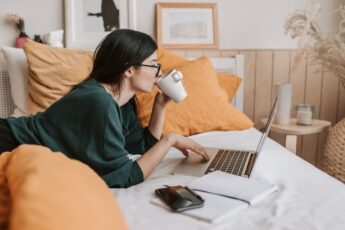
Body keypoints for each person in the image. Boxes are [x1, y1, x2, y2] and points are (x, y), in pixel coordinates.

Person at [0, 29, 209, 188]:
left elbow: (140, 150)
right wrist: (170, 140)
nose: (158, 72)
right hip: (8, 142)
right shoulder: (99, 101)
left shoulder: (123, 102)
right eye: (154, 64)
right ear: (129, 70)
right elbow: (126, 176)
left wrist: (160, 107)